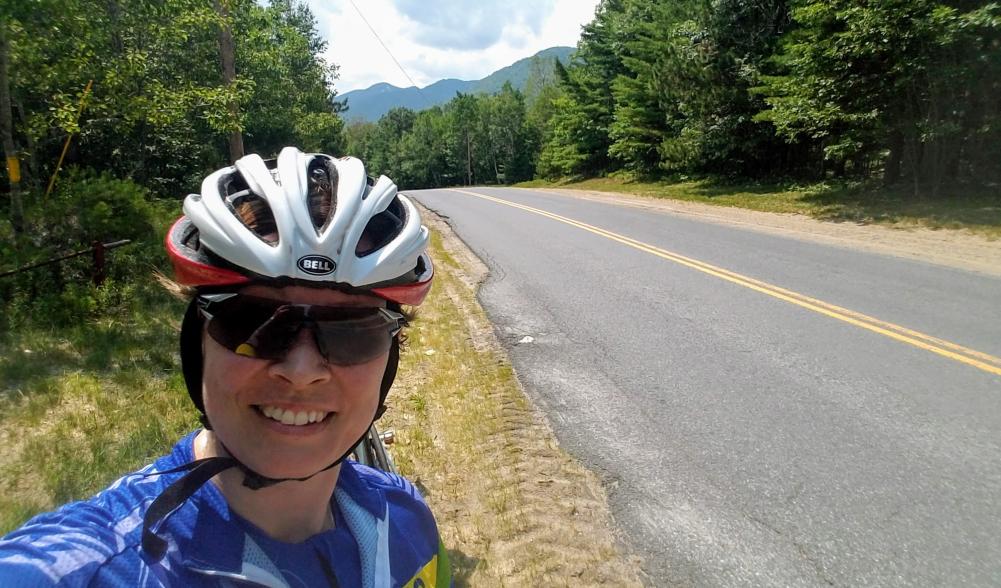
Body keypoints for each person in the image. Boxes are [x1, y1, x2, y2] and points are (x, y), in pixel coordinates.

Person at [0, 147, 450, 587]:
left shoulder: (410, 523)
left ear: (391, 356)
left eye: (353, 332)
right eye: (252, 323)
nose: (300, 369)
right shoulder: (90, 568)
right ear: (196, 342)